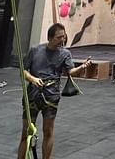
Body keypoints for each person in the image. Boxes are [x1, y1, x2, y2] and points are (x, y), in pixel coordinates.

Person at [17, 23, 91, 159]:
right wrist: (33, 79)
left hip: (51, 97)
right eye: (59, 37)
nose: (62, 40)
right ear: (50, 38)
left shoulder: (65, 54)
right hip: (32, 95)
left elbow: (70, 72)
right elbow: (23, 71)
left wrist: (82, 67)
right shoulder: (35, 50)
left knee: (48, 131)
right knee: (26, 133)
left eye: (64, 37)